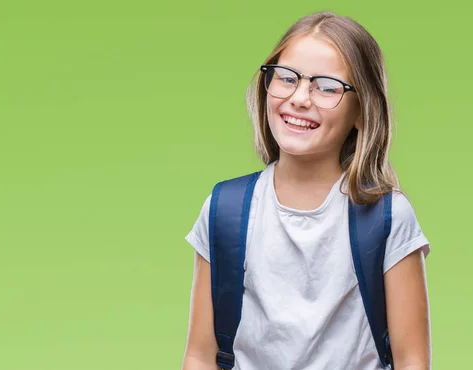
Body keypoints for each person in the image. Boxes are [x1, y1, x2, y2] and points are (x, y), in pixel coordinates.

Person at [181, 11, 431, 370]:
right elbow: (200, 356)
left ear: (362, 111)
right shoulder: (224, 210)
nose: (300, 98)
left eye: (327, 86)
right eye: (286, 78)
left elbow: (412, 361)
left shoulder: (388, 217)